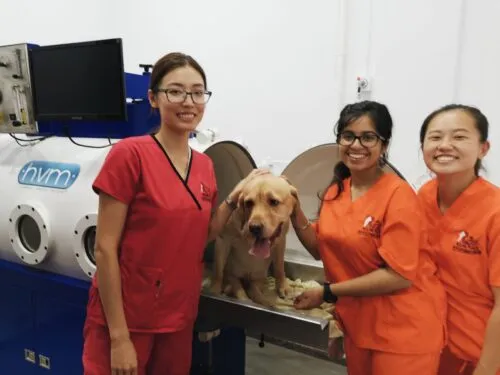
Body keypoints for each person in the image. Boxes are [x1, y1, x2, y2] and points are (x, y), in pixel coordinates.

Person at [82, 52, 267, 375]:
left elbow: (202, 235)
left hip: (177, 318)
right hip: (128, 317)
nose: (189, 101)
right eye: (176, 91)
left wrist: (235, 197)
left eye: (198, 92)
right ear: (153, 98)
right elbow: (104, 248)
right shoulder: (129, 155)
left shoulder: (205, 166)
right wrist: (119, 338)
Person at [290, 100, 446, 374]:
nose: (356, 145)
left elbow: (399, 275)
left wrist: (327, 293)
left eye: (368, 137)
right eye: (348, 136)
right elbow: (320, 249)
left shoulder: (398, 196)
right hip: (359, 326)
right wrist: (292, 209)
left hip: (404, 332)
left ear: (384, 145)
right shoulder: (336, 191)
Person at [417, 104, 500, 375]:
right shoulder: (423, 197)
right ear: (423, 148)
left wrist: (486, 369)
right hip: (428, 348)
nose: (445, 145)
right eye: (435, 137)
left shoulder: (495, 212)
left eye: (459, 137)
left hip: (478, 358)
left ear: (483, 148)